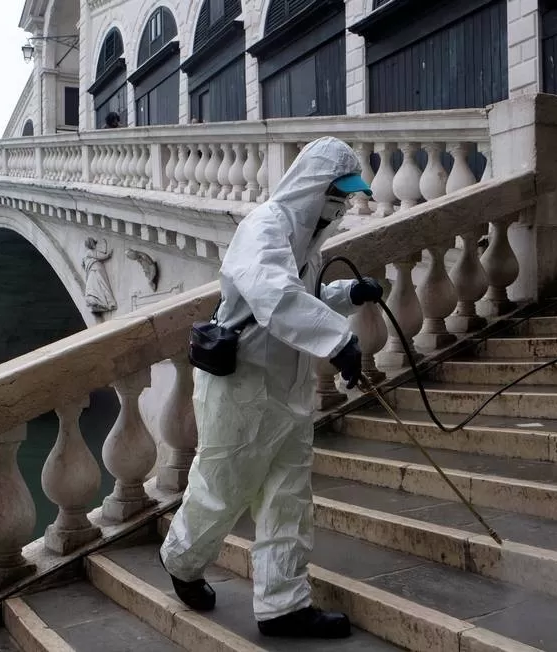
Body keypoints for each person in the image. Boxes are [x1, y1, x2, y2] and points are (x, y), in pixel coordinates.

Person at [160, 136, 382, 639]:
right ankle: (181, 560)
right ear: (312, 187)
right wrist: (337, 340)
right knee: (221, 489)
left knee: (289, 498)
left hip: (286, 390)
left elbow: (303, 294)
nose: (341, 205)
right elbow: (273, 296)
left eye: (346, 197)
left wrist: (347, 295)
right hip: (240, 389)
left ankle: (284, 605)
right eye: (336, 193)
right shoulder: (264, 227)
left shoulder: (307, 242)